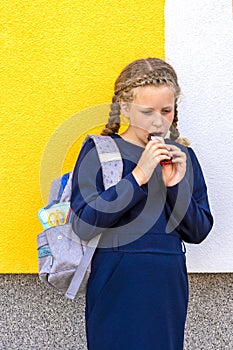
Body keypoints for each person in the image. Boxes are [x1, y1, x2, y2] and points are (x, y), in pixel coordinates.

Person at [71, 58, 213, 350]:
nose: (158, 121)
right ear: (124, 108)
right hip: (116, 279)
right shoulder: (99, 150)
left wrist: (174, 185)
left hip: (166, 281)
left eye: (166, 111)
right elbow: (83, 224)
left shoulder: (182, 155)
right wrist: (138, 176)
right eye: (146, 112)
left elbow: (198, 231)